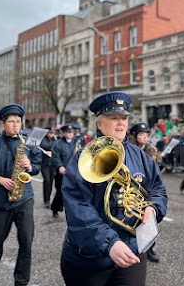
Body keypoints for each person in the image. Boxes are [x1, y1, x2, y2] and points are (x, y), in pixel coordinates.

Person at [60, 91, 167, 286]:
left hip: (131, 250)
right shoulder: (81, 160)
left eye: (124, 118)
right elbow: (79, 209)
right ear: (99, 123)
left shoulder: (140, 155)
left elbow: (158, 189)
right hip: (90, 258)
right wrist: (109, 243)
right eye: (113, 118)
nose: (121, 123)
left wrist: (153, 208)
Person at [0, 104, 41, 286]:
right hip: (0, 201)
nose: (16, 125)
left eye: (18, 122)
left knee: (26, 241)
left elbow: (38, 164)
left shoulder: (29, 143)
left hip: (24, 198)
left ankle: (21, 281)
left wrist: (31, 167)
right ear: (3, 123)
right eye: (11, 121)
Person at [130, 122, 161, 263]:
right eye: (141, 135)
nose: (145, 138)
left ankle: (149, 248)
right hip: (134, 186)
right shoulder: (130, 150)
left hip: (148, 187)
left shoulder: (152, 150)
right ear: (135, 136)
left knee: (150, 218)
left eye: (146, 135)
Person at [50, 124, 76, 218]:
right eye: (68, 132)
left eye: (71, 132)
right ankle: (55, 208)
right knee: (60, 192)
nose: (70, 134)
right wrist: (59, 166)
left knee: (73, 192)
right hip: (62, 172)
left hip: (73, 171)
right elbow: (55, 157)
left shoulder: (76, 142)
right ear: (64, 133)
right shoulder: (58, 143)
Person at [39, 128, 56, 208]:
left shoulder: (55, 140)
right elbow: (43, 146)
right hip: (44, 163)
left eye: (52, 133)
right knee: (47, 181)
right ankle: (46, 200)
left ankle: (48, 199)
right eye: (50, 133)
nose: (51, 134)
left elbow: (57, 148)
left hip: (52, 164)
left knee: (51, 182)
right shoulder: (43, 140)